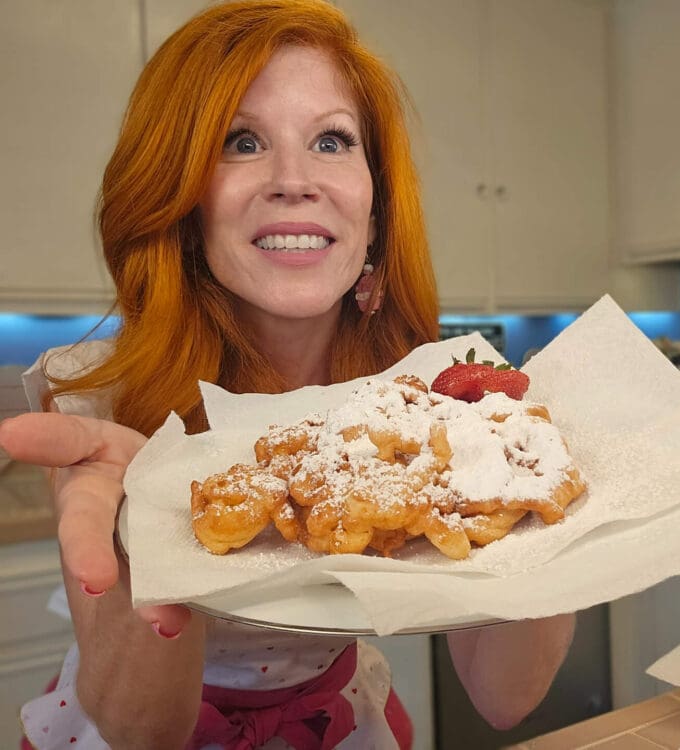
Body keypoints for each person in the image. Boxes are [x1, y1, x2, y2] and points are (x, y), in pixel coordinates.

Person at [0, 2, 576, 747]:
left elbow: (505, 698)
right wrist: (149, 551)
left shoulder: (426, 401)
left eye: (332, 140)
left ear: (376, 206)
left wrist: (542, 507)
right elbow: (142, 732)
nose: (294, 180)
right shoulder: (104, 399)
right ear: (182, 200)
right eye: (242, 141)